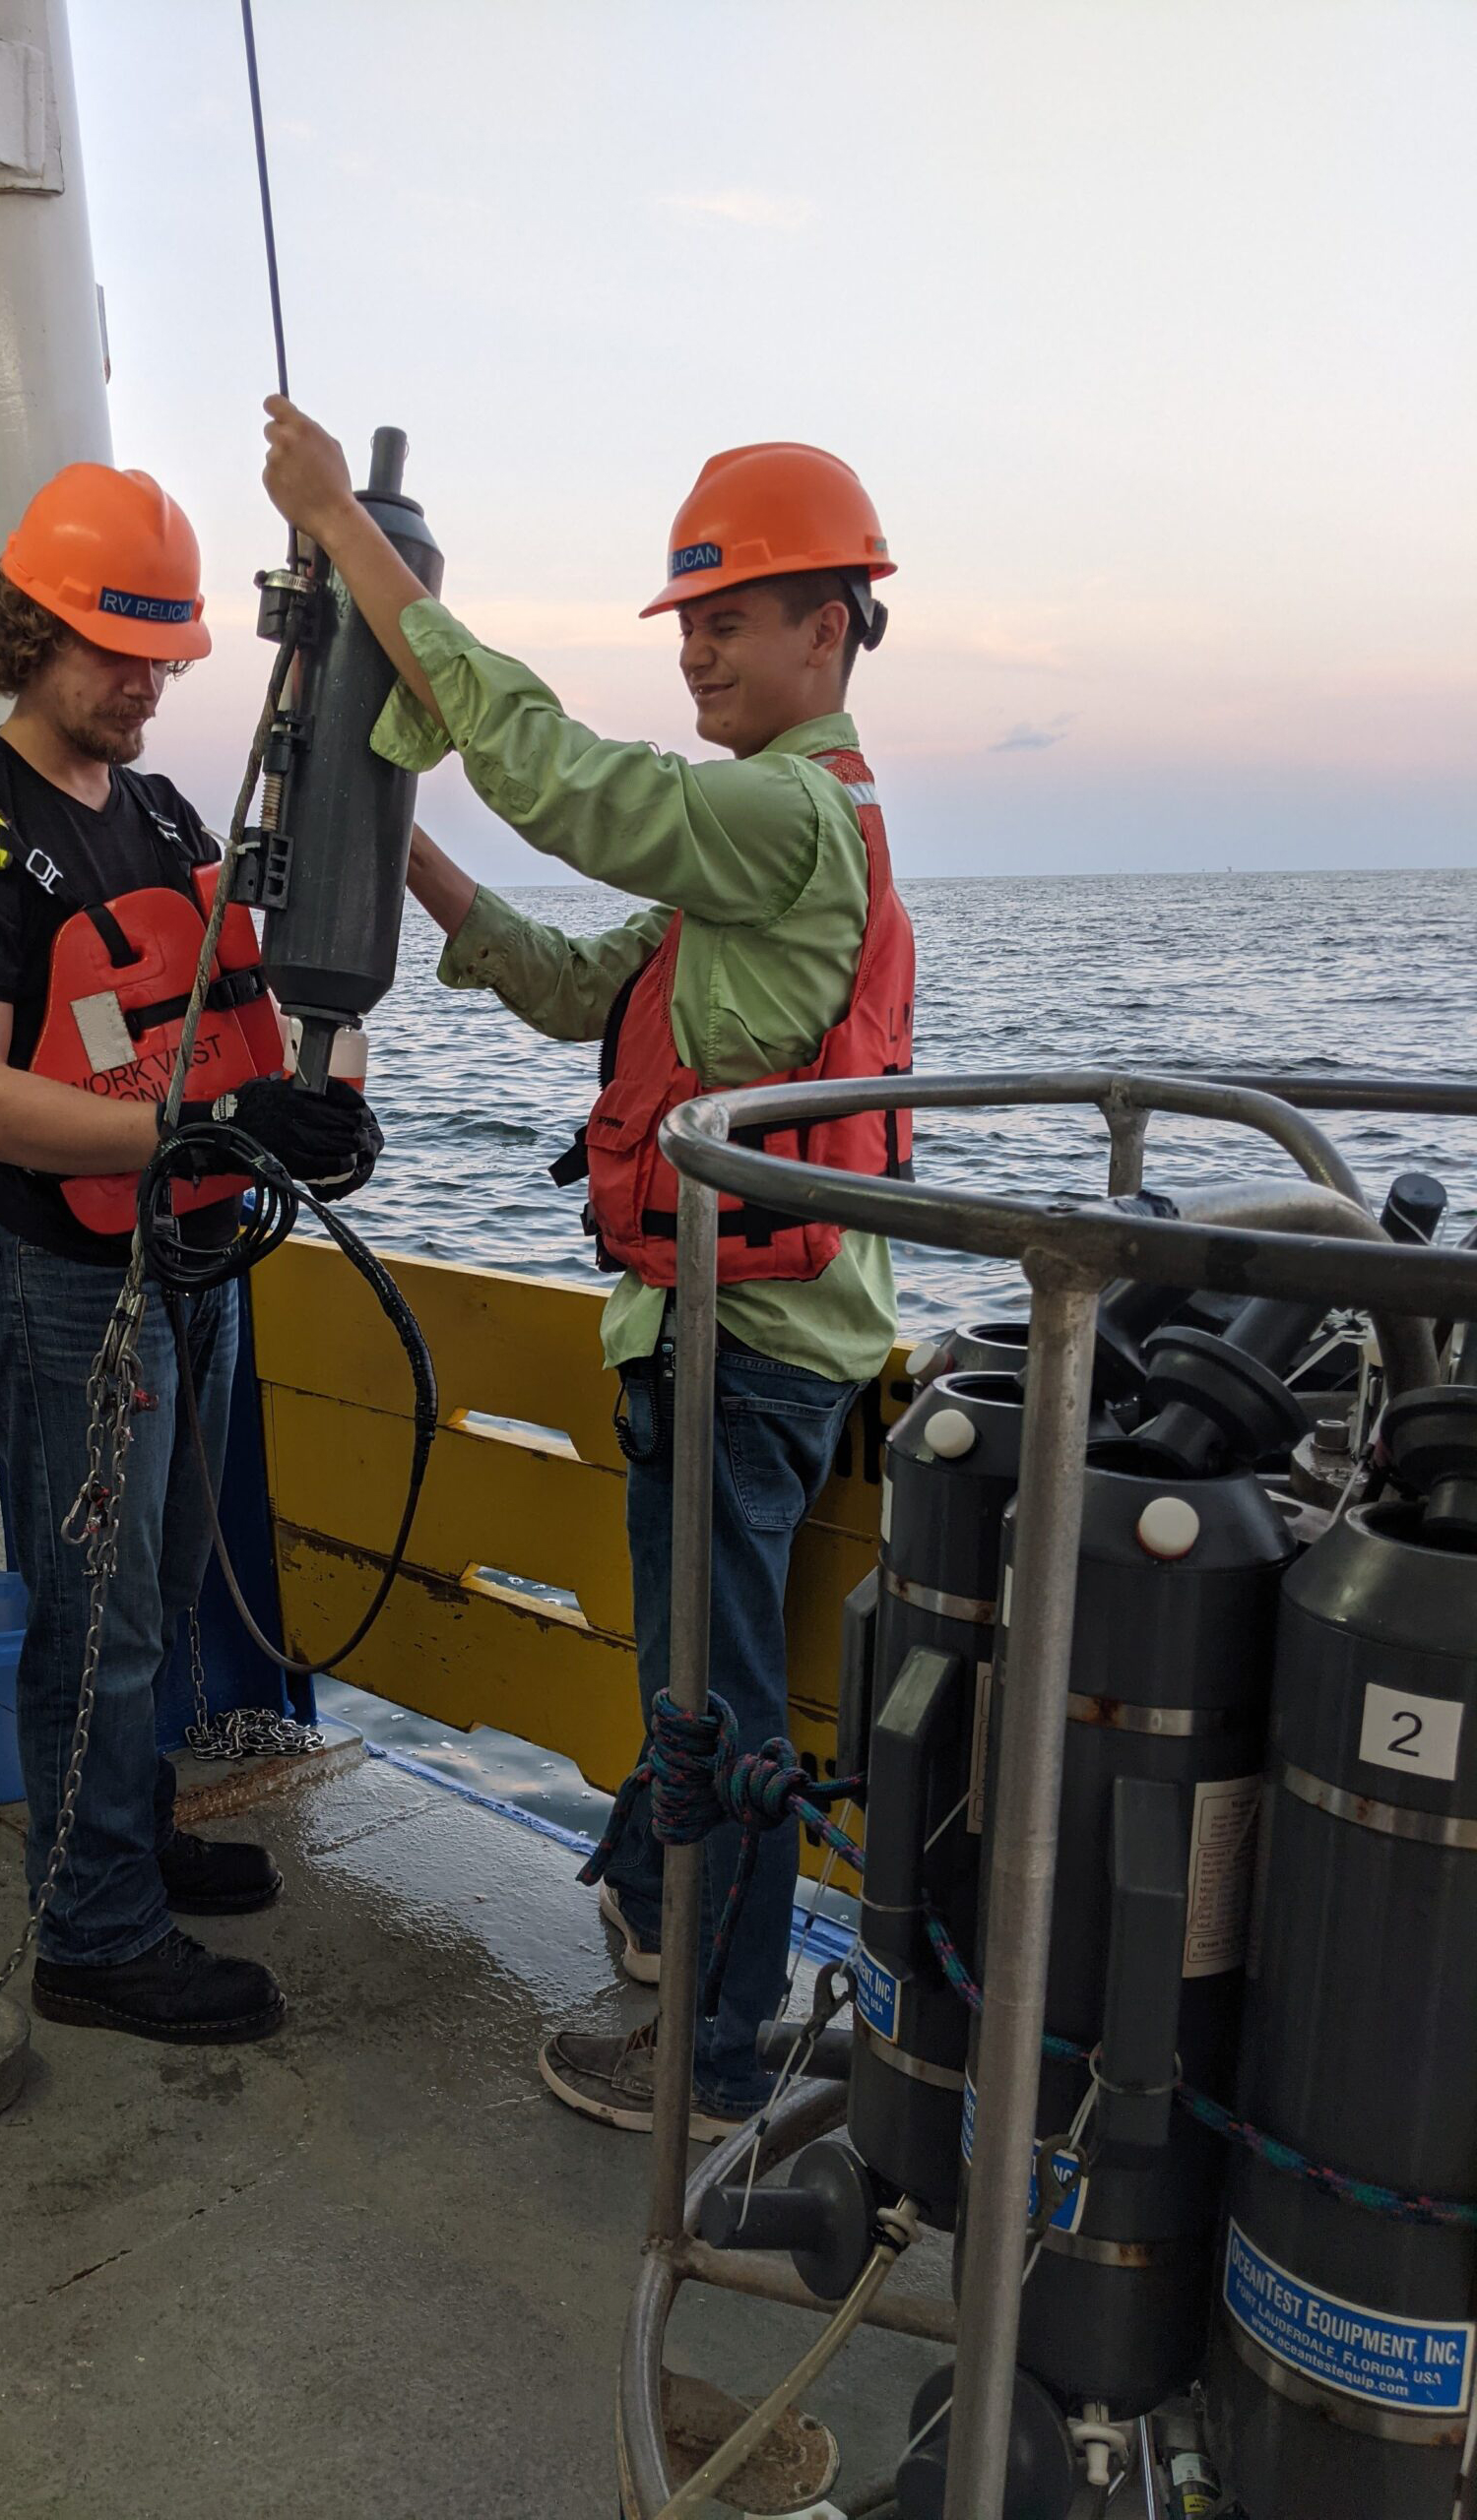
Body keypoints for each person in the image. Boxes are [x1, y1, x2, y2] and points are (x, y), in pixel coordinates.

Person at [262, 403, 913, 2136]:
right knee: (697, 1683)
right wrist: (394, 843)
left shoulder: (779, 818)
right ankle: (656, 1911)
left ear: (827, 629)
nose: (696, 644)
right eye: (687, 617)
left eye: (728, 613)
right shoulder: (750, 860)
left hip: (741, 1345)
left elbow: (556, 773)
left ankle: (709, 2055)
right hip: (729, 1336)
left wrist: (344, 525)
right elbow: (566, 981)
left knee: (716, 1714)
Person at [0, 462, 380, 2046]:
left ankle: (130, 1832)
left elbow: (233, 999)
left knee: (151, 1598)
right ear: (24, 629)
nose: (145, 689)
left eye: (164, 660)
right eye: (115, 653)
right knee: (88, 1617)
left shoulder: (160, 811)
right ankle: (92, 1935)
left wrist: (314, 1103)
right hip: (65, 1291)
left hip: (190, 1266)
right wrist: (199, 1144)